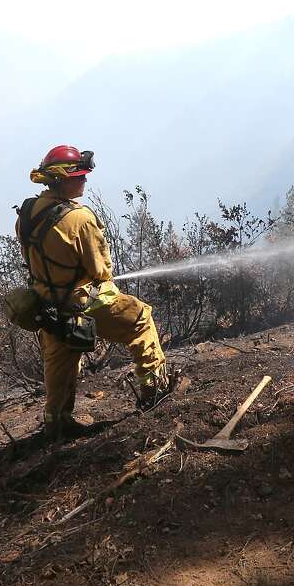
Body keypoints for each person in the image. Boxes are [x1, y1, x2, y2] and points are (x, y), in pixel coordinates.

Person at [16, 145, 177, 437]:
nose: (85, 180)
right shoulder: (80, 218)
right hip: (83, 303)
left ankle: (56, 422)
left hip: (47, 306)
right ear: (63, 179)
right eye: (80, 175)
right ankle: (156, 391)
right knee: (140, 320)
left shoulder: (27, 213)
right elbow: (100, 270)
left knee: (59, 360)